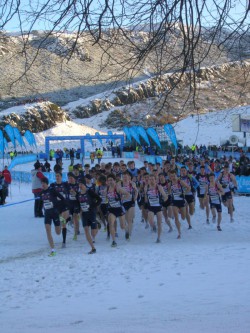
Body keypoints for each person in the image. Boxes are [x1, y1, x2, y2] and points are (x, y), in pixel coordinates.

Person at [40, 177, 65, 256]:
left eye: (44, 183)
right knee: (48, 230)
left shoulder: (52, 190)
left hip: (55, 212)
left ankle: (61, 222)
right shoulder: (41, 193)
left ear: (47, 184)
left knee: (58, 232)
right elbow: (42, 202)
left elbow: (62, 198)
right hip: (47, 213)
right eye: (42, 183)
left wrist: (59, 208)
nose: (43, 185)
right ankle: (53, 250)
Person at [77, 179, 102, 254]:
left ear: (85, 185)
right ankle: (93, 248)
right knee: (86, 230)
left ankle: (97, 225)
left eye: (82, 184)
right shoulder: (78, 194)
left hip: (91, 213)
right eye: (79, 184)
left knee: (93, 233)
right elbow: (78, 204)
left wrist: (92, 206)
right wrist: (79, 210)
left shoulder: (90, 192)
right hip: (84, 214)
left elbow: (99, 199)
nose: (80, 186)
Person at [144, 174, 168, 243]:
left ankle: (158, 238)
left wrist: (162, 203)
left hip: (158, 207)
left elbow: (165, 196)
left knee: (159, 223)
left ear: (155, 180)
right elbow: (146, 197)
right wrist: (146, 204)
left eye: (153, 179)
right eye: (150, 179)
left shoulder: (159, 187)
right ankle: (153, 226)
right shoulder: (146, 187)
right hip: (151, 207)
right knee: (150, 221)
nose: (151, 181)